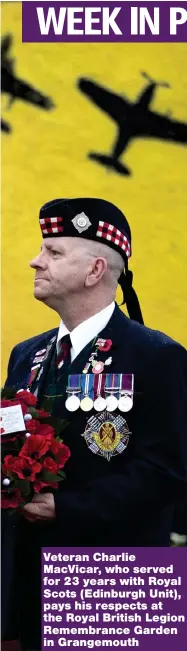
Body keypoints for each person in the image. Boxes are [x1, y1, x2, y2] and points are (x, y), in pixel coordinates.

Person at [2, 197, 187, 651]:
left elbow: (168, 472)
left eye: (54, 252)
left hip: (115, 578)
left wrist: (66, 508)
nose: (36, 261)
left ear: (94, 270)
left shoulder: (156, 356)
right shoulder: (27, 354)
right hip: (29, 574)